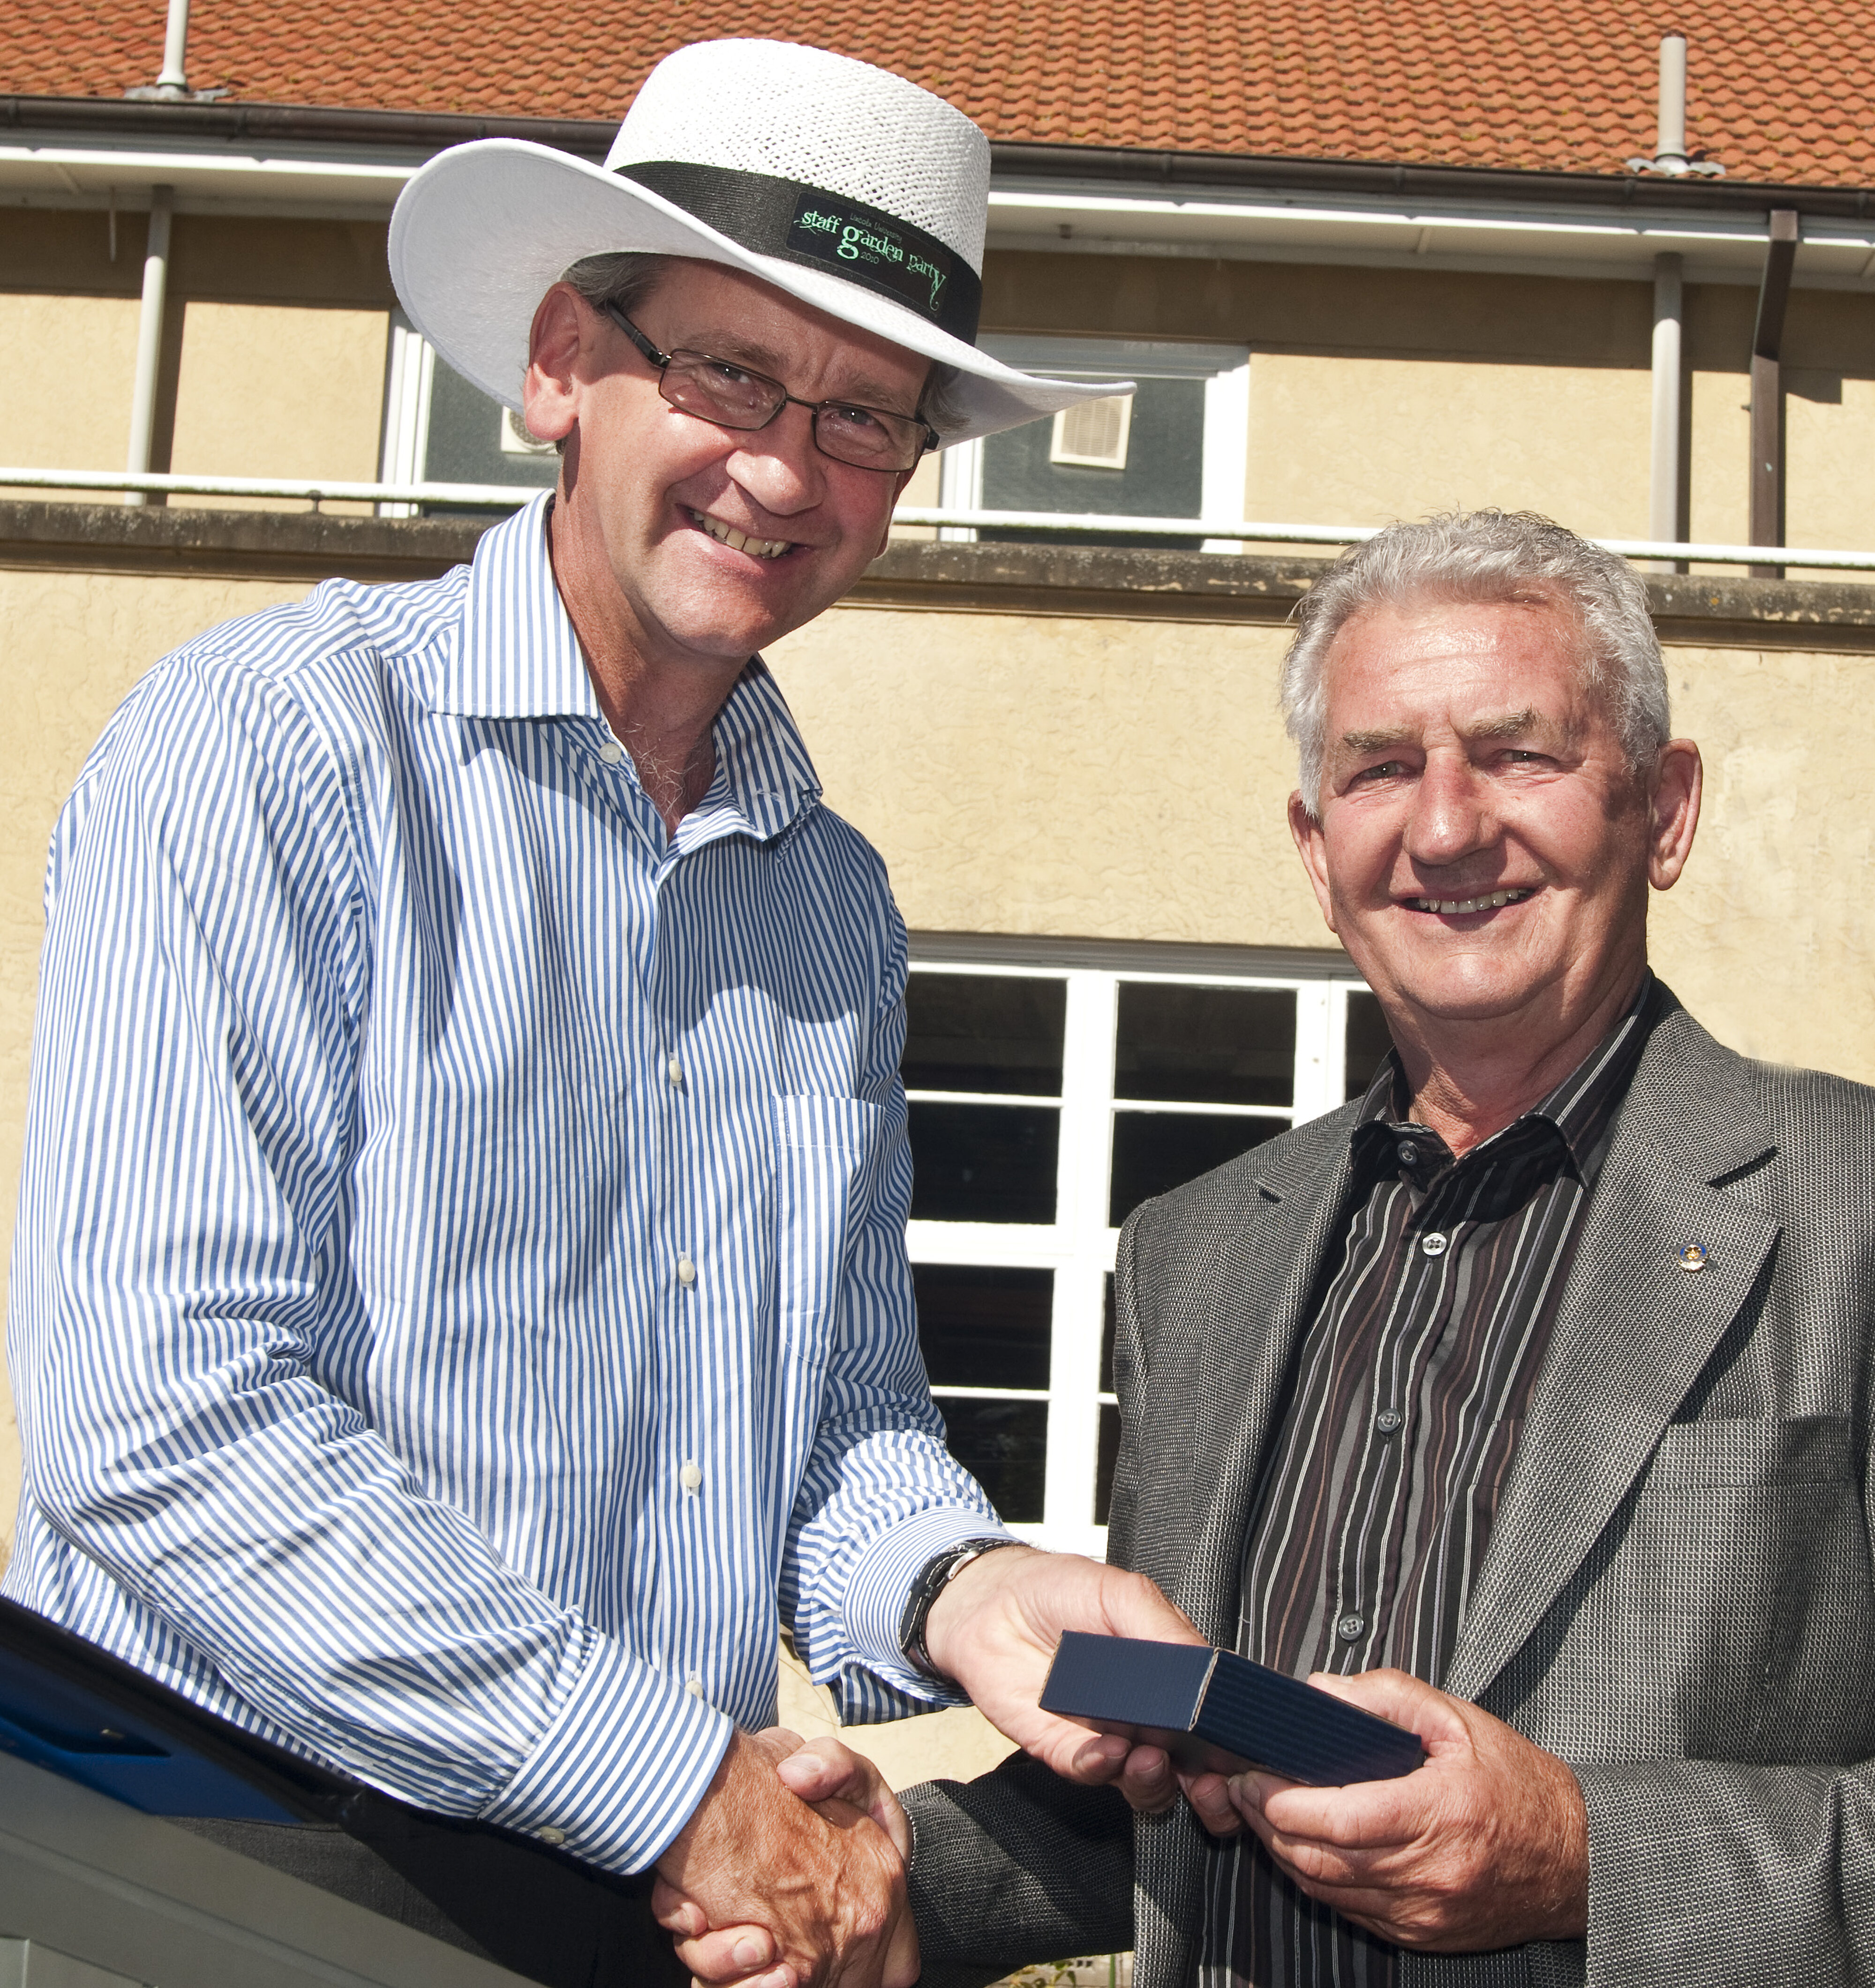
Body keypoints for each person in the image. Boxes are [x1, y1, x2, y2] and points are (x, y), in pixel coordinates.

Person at [2, 39, 1197, 1988]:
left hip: (641, 1923)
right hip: (211, 1894)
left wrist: (973, 1587)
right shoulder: (268, 747)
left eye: (870, 419)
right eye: (728, 373)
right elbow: (161, 1417)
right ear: (562, 361)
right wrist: (668, 1776)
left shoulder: (833, 903)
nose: (788, 469)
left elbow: (835, 1433)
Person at [690, 509, 1875, 1985]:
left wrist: (1581, 1852)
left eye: (1518, 754)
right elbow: (1160, 1790)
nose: (1445, 826)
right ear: (1319, 852)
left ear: (1666, 807)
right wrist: (878, 1870)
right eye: (1381, 769)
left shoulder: (1847, 1205)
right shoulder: (1198, 1256)